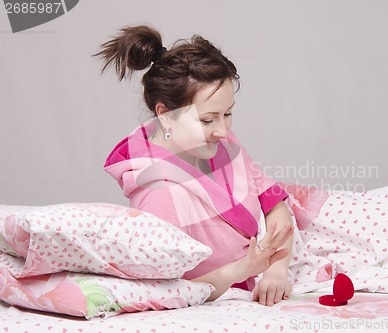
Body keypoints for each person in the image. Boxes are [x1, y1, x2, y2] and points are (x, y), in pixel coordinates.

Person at [95, 25, 294, 305]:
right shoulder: (160, 192)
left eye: (228, 113)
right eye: (208, 119)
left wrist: (276, 270)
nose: (223, 130)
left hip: (264, 268)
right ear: (165, 114)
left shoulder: (219, 144)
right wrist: (244, 269)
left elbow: (275, 204)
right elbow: (165, 290)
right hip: (225, 289)